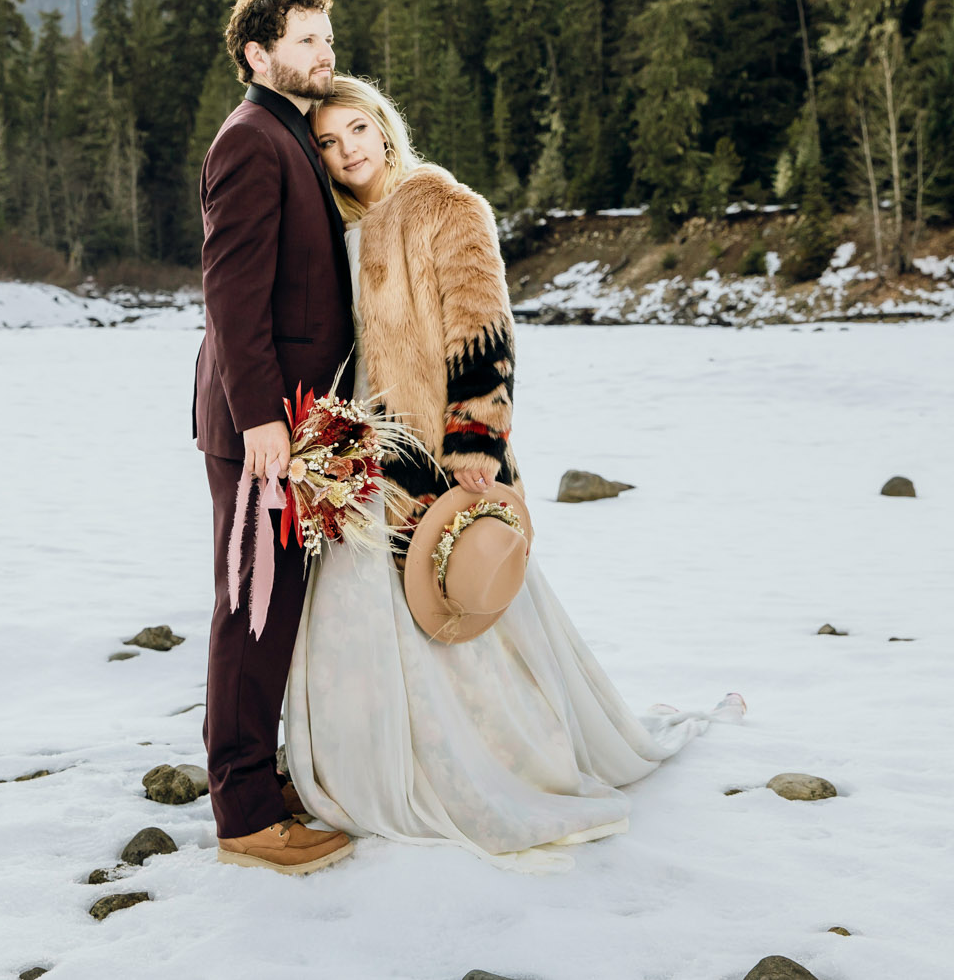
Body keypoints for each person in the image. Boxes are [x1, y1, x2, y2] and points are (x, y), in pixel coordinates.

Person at [284, 74, 708, 872]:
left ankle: (495, 766)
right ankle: (380, 764)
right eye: (329, 145)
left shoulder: (447, 206)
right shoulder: (346, 226)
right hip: (372, 457)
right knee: (374, 621)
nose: (347, 153)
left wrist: (475, 436)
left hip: (442, 451)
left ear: (383, 124)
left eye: (356, 132)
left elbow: (486, 325)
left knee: (464, 606)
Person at [193, 0, 356, 875]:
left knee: (274, 607)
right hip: (267, 425)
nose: (324, 53)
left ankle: (258, 778)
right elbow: (232, 289)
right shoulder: (252, 139)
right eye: (304, 40)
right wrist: (260, 417)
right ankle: (246, 814)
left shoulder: (291, 130)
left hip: (299, 422)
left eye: (328, 38)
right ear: (258, 54)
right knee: (250, 609)